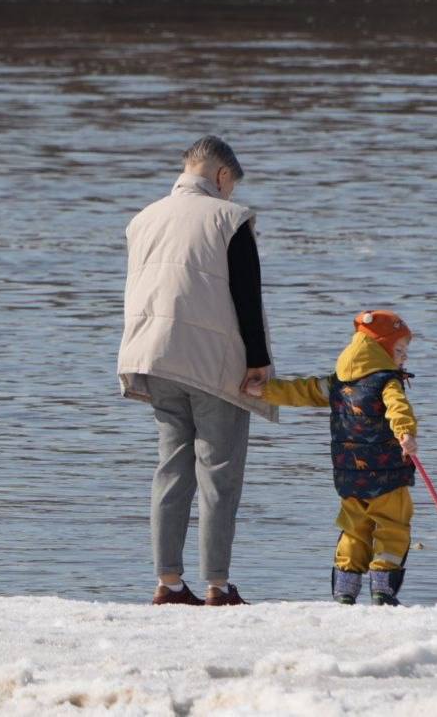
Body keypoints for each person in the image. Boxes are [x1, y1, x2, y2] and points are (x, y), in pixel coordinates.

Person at [118, 135, 277, 607]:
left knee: (171, 468)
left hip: (154, 354)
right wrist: (258, 362)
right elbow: (247, 297)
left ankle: (168, 582)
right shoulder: (230, 219)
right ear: (222, 176)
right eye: (230, 187)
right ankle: (218, 586)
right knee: (219, 471)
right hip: (212, 360)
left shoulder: (143, 219)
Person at [245, 310, 418, 606]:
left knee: (354, 527)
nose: (404, 358)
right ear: (380, 349)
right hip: (387, 473)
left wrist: (265, 391)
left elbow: (304, 391)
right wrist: (406, 434)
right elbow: (397, 407)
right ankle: (383, 589)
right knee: (392, 525)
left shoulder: (337, 383)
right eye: (399, 350)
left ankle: (345, 590)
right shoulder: (387, 381)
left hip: (349, 473)